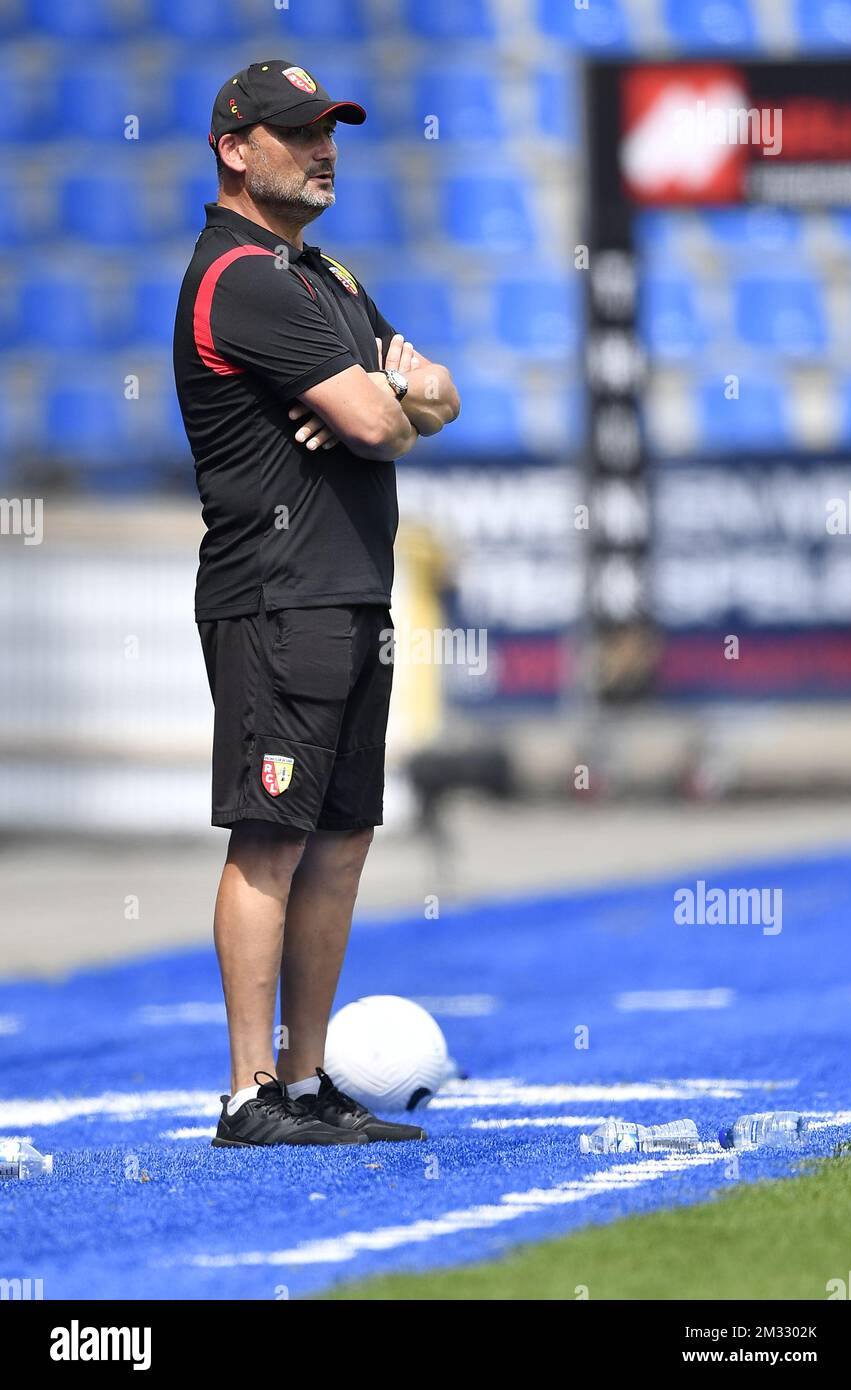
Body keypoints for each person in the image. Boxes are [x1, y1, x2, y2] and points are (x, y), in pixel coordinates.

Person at [173, 60, 461, 1147]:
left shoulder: (324, 275)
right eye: (297, 133)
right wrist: (390, 397)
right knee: (272, 840)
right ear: (235, 150)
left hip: (349, 591)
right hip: (276, 598)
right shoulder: (241, 276)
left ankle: (303, 1081)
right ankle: (251, 1091)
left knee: (340, 840)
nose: (324, 148)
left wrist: (385, 390)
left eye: (330, 129)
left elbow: (441, 391)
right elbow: (399, 421)